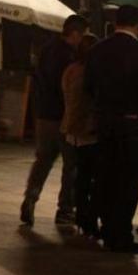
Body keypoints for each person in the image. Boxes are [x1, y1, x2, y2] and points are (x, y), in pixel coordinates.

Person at [85, 5, 138, 254]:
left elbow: (88, 86)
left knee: (107, 177)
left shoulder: (97, 50)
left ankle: (107, 228)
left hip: (106, 123)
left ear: (116, 22)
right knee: (129, 181)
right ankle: (120, 235)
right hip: (133, 125)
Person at [20, 14, 89, 226]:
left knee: (43, 161)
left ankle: (30, 199)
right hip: (64, 117)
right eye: (83, 35)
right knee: (71, 164)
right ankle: (65, 209)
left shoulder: (46, 49)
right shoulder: (69, 57)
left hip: (43, 116)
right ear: (75, 33)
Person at [60, 33, 100, 236]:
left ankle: (79, 215)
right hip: (86, 130)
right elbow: (85, 103)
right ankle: (86, 218)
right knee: (88, 176)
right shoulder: (89, 73)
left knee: (79, 175)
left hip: (71, 130)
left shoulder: (70, 70)